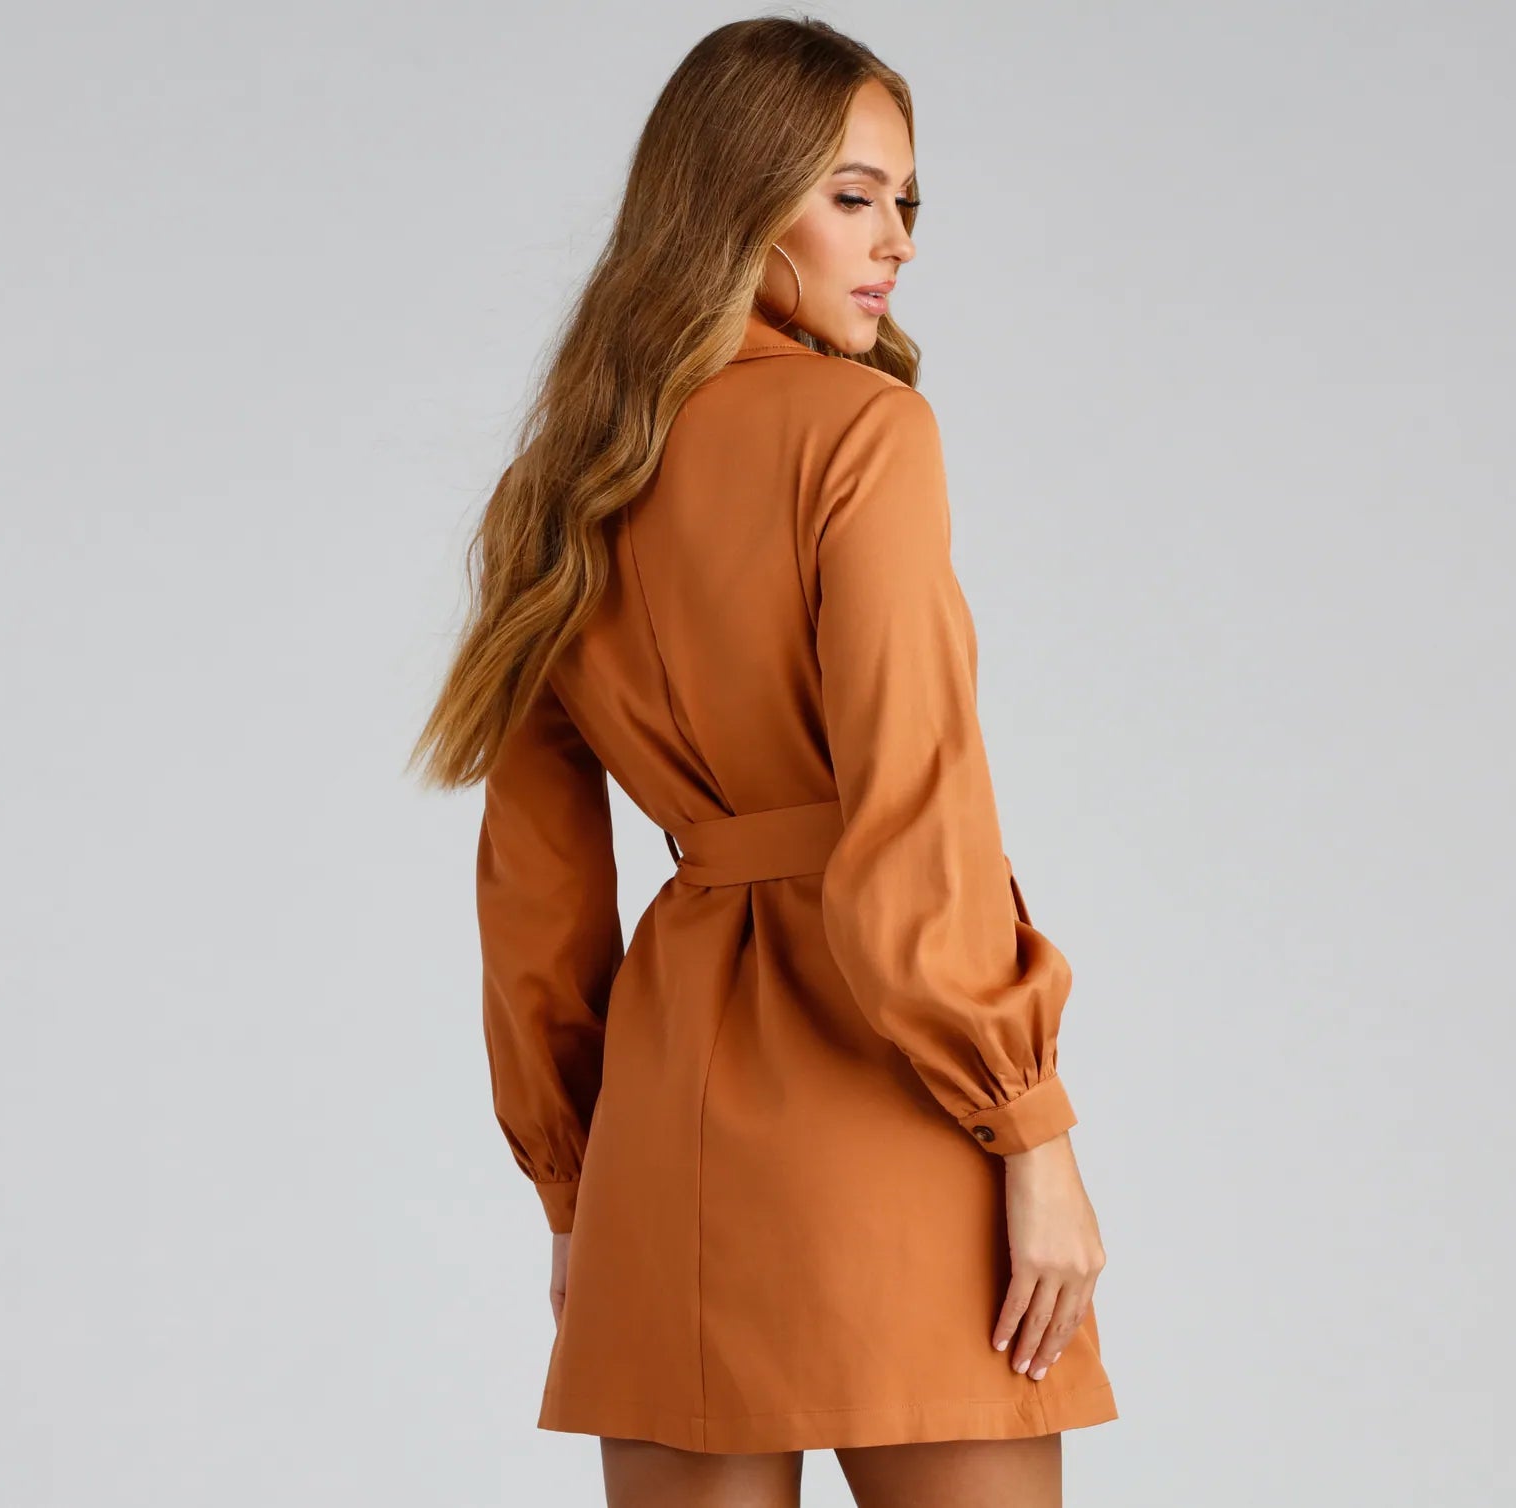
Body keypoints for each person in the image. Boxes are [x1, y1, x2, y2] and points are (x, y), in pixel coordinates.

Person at [408, 16, 1116, 1506]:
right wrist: (1031, 1129)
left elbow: (534, 895)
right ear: (737, 199)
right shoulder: (864, 433)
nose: (897, 240)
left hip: (667, 1120)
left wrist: (575, 1187)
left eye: (905, 201)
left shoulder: (561, 486)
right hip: (891, 1091)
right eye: (853, 196)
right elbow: (916, 806)